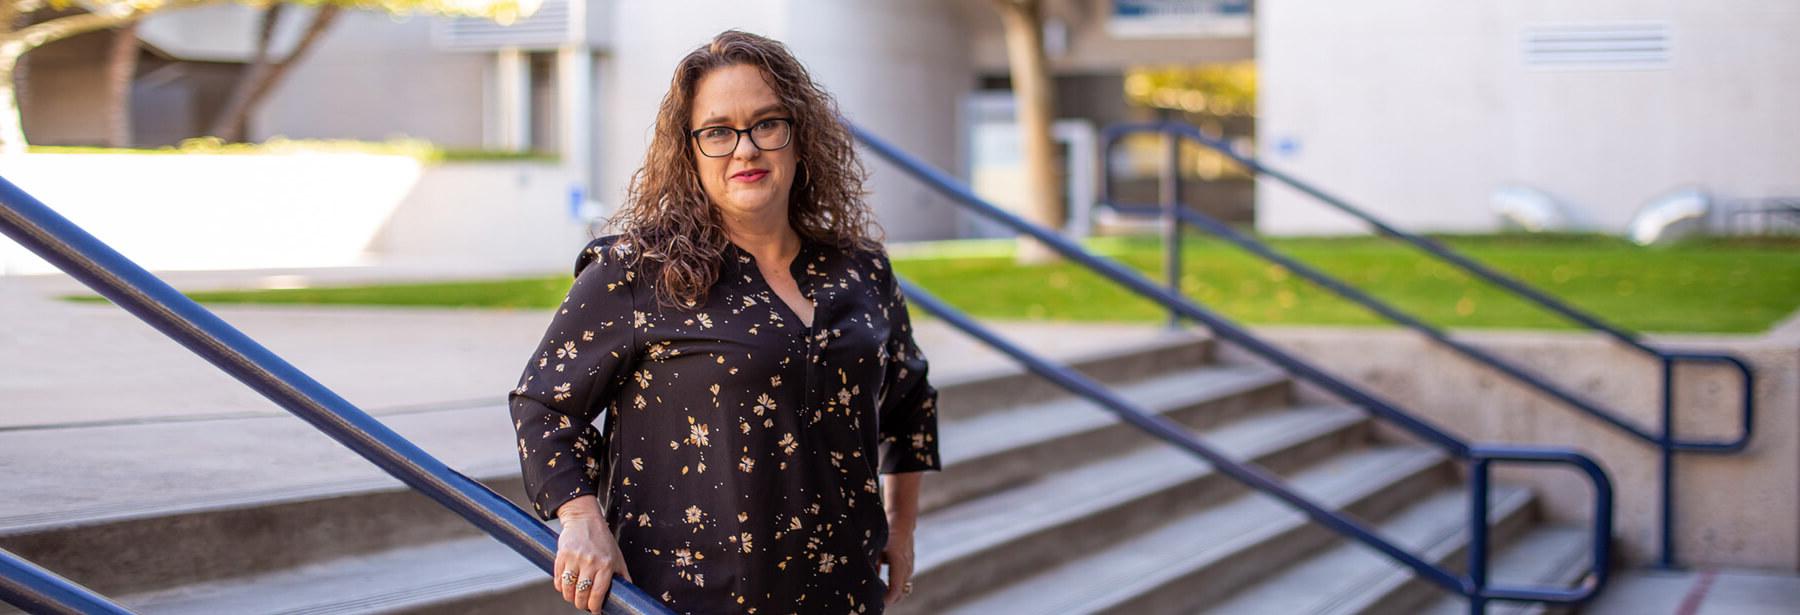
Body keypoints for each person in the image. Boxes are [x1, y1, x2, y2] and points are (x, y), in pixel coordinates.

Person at [508, 29, 941, 615]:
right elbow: (544, 404)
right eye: (718, 132)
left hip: (845, 594)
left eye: (766, 123)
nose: (745, 149)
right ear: (689, 150)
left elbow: (909, 399)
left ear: (799, 136)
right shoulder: (637, 272)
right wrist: (580, 519)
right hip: (688, 598)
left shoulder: (860, 270)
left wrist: (902, 526)